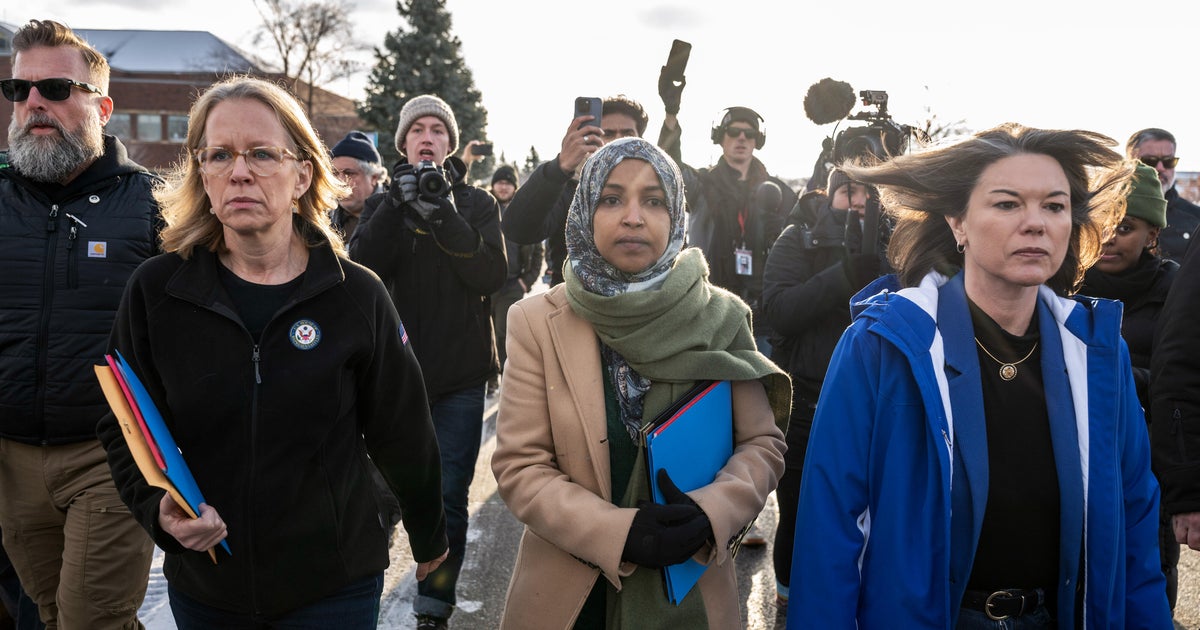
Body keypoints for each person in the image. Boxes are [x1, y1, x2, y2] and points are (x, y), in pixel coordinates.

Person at [95, 76, 449, 628]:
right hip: (210, 585)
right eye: (219, 155)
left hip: (335, 586)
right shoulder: (157, 291)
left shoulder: (356, 295)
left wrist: (429, 534)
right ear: (202, 174)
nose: (239, 172)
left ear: (302, 174)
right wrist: (156, 508)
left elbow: (402, 429)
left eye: (261, 153)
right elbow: (124, 424)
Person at [789, 123, 1172, 628]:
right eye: (1007, 204)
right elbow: (830, 528)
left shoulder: (1098, 352)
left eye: (1054, 206)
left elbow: (1134, 519)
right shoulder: (883, 345)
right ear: (958, 223)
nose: (1035, 223)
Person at [490, 137, 789, 629]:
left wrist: (711, 512)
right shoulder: (536, 321)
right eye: (611, 199)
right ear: (584, 212)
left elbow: (761, 443)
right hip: (571, 601)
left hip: (690, 587)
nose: (633, 217)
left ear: (677, 216)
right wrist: (619, 534)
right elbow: (520, 466)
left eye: (653, 201)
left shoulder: (721, 317)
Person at [0, 19, 159, 630]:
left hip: (110, 456)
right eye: (20, 90)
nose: (34, 103)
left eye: (56, 89)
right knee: (48, 615)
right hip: (11, 460)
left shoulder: (154, 206)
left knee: (91, 621)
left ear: (103, 107)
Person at [350, 93, 506, 630]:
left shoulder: (477, 203)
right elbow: (360, 268)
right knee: (380, 493)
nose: (427, 137)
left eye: (438, 129)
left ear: (450, 144)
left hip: (460, 376)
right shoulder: (382, 202)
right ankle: (361, 600)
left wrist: (446, 215)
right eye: (417, 129)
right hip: (392, 376)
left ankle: (434, 609)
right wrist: (397, 205)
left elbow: (490, 275)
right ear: (403, 143)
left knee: (448, 496)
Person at [760, 167, 881, 613]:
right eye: (849, 191)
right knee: (799, 512)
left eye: (870, 191)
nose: (860, 201)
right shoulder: (799, 238)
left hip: (879, 406)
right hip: (808, 405)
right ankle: (788, 600)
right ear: (829, 195)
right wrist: (844, 275)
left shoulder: (900, 240)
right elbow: (778, 311)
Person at [1079, 162, 1180, 611]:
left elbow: (1181, 382)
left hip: (1148, 467)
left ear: (1152, 234)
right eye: (1101, 222)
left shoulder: (1177, 293)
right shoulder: (1058, 287)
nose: (1109, 237)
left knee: (1145, 579)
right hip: (1077, 462)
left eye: (1125, 227)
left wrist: (1114, 376)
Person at [658, 104, 796, 354]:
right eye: (733, 132)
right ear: (720, 138)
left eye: (749, 134)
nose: (741, 138)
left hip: (762, 314)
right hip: (710, 307)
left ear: (757, 141)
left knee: (761, 377)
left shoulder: (778, 192)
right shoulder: (701, 184)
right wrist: (671, 116)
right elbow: (668, 167)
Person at [501, 95, 649, 287]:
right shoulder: (569, 188)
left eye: (627, 133)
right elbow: (517, 229)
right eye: (608, 133)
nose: (618, 141)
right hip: (571, 300)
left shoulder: (656, 189)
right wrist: (560, 166)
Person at [488, 164, 543, 396]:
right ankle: (491, 377)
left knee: (504, 332)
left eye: (508, 183)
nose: (503, 187)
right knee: (484, 332)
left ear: (514, 187)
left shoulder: (523, 213)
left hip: (512, 284)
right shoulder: (484, 208)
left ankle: (507, 379)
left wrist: (526, 281)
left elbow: (537, 251)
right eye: (499, 182)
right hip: (484, 283)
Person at [1125, 128, 1200, 264]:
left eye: (1168, 161)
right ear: (1129, 163)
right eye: (1149, 161)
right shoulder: (1105, 214)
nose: (1160, 168)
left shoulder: (1196, 218)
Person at [329, 129, 385, 238]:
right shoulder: (323, 221)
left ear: (374, 177)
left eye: (349, 173)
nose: (341, 182)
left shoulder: (397, 214)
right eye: (335, 174)